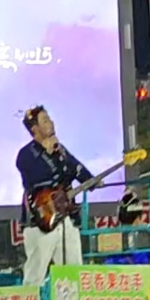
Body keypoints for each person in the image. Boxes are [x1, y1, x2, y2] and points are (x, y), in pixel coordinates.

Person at [16, 106, 95, 287]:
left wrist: (91, 180)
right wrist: (48, 152)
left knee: (73, 271)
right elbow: (35, 178)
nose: (51, 122)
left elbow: (77, 168)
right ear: (34, 129)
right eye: (45, 120)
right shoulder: (26, 154)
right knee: (36, 273)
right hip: (41, 219)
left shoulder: (61, 152)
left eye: (50, 118)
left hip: (65, 217)